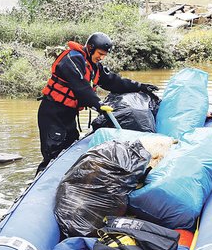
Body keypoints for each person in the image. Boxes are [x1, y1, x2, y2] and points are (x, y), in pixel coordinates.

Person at [37, 32, 158, 172]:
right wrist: (99, 105)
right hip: (53, 113)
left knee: (69, 149)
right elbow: (81, 87)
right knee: (53, 153)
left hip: (68, 115)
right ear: (90, 48)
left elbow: (113, 82)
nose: (101, 57)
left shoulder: (94, 66)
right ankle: (38, 187)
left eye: (104, 55)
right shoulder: (72, 59)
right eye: (100, 53)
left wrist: (140, 86)